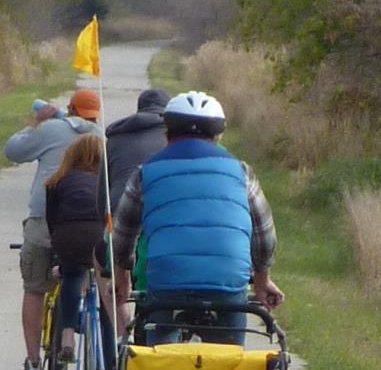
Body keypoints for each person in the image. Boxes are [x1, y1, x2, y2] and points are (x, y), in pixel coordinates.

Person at [110, 90, 282, 344]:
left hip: (167, 281)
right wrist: (262, 280)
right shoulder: (241, 172)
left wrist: (122, 279)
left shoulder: (145, 173)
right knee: (228, 361)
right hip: (227, 279)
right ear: (218, 136)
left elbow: (124, 234)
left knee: (158, 359)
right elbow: (264, 234)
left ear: (167, 135)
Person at [2, 87, 101, 370]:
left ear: (69, 109)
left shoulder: (52, 128)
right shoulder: (100, 136)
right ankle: (85, 348)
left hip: (44, 220)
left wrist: (36, 122)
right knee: (82, 276)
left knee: (34, 287)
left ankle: (33, 364)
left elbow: (13, 151)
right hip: (87, 224)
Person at [43, 133, 115, 367]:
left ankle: (67, 336)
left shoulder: (58, 181)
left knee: (72, 275)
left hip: (69, 236)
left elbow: (52, 222)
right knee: (106, 290)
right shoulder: (109, 182)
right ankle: (110, 356)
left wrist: (58, 259)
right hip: (100, 235)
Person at [104, 87, 170, 206]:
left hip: (119, 207)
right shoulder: (175, 136)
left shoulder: (115, 138)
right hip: (160, 208)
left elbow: (103, 195)